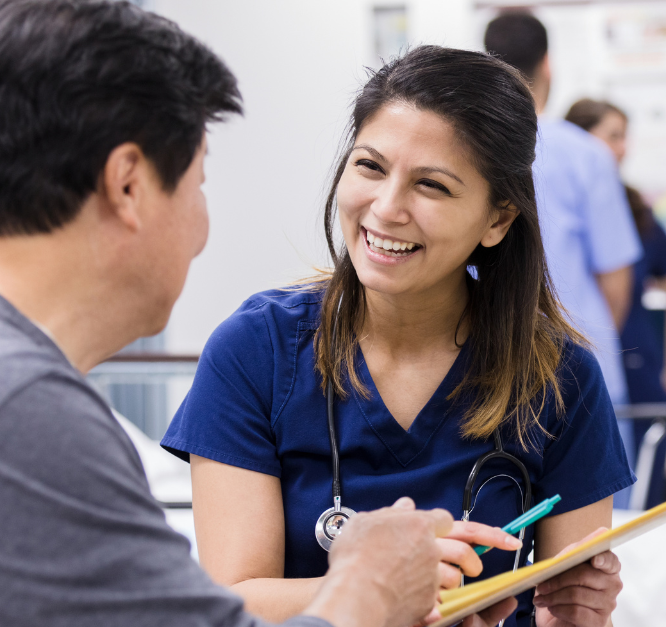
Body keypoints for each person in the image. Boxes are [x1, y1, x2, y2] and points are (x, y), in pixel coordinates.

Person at [0, 2, 515, 626]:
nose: (201, 231)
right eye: (198, 182)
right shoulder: (17, 414)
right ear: (128, 185)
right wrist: (371, 588)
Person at [160, 46, 631, 627]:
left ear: (497, 219)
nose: (386, 208)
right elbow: (233, 604)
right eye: (370, 167)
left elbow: (568, 605)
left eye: (431, 185)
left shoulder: (559, 377)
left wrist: (577, 617)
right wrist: (386, 586)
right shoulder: (256, 352)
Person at [483, 14, 643, 508]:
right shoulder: (586, 155)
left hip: (490, 373)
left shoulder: (474, 151)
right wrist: (585, 345)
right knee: (599, 539)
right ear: (548, 65)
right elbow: (616, 280)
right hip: (582, 370)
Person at [565, 99, 666, 507]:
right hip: (575, 381)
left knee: (641, 512)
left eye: (625, 137)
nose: (623, 148)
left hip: (637, 382)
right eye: (612, 136)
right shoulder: (549, 209)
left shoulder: (636, 212)